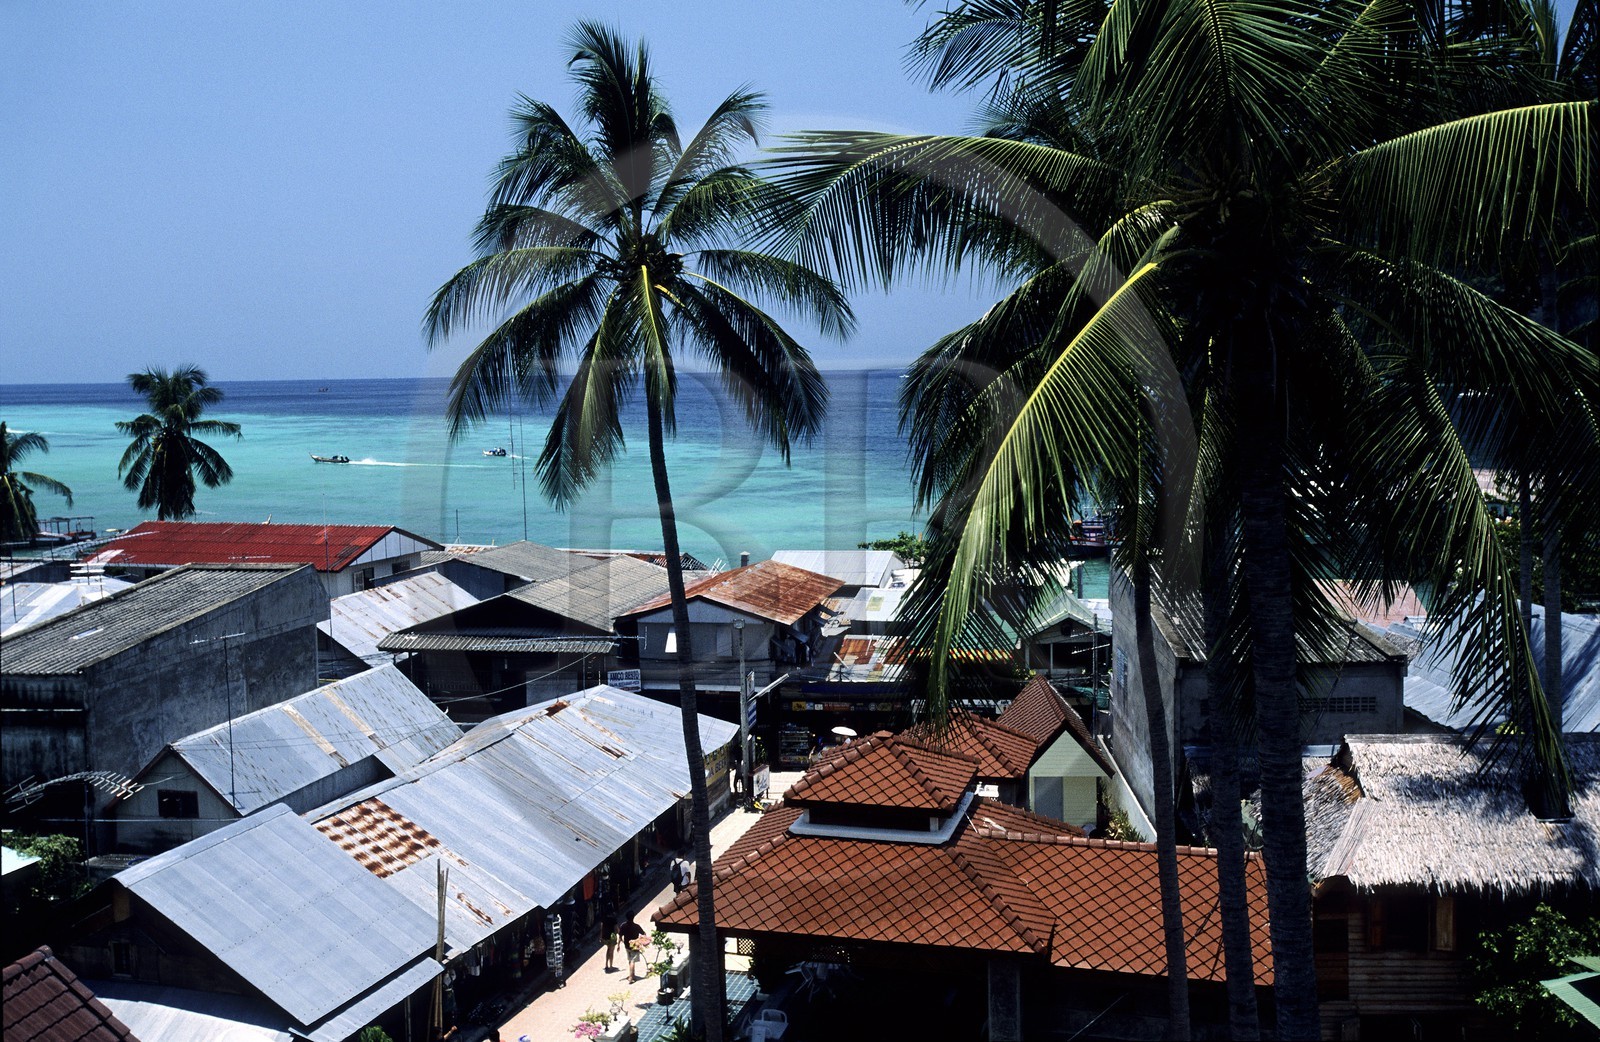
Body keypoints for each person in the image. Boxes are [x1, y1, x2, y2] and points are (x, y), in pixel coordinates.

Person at [619, 917, 646, 982]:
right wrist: (639, 941)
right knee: (632, 961)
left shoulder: (623, 925)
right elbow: (644, 934)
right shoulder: (636, 926)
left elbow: (620, 936)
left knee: (630, 960)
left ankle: (632, 974)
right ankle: (631, 977)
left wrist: (620, 943)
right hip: (635, 946)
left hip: (627, 946)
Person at [601, 904, 619, 972]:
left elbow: (601, 927)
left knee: (608, 949)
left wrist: (601, 936)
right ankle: (611, 966)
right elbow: (616, 928)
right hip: (612, 936)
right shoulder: (613, 918)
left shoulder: (604, 918)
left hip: (605, 936)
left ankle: (606, 965)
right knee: (611, 951)